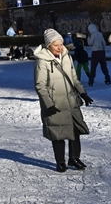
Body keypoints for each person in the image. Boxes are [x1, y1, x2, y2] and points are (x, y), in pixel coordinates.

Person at [34, 29, 93, 172]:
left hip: (71, 101)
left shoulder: (67, 57)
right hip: (55, 104)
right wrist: (48, 104)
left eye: (61, 44)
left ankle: (74, 158)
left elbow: (74, 78)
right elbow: (40, 85)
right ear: (48, 45)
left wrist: (83, 93)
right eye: (56, 45)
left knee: (75, 131)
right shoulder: (42, 61)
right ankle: (60, 162)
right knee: (58, 133)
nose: (60, 47)